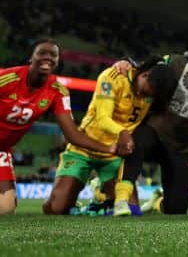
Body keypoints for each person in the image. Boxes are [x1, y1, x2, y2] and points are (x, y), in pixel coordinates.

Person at [116, 27, 188, 215]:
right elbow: (146, 68)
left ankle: (157, 203)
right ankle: (121, 196)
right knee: (133, 143)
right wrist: (126, 61)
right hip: (155, 132)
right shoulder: (174, 61)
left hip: (181, 148)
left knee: (177, 209)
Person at [43, 58, 177, 216]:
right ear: (145, 75)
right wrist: (123, 133)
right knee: (55, 208)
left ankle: (101, 196)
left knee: (132, 212)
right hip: (84, 148)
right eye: (148, 90)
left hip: (114, 155)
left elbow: (164, 60)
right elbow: (102, 118)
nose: (145, 96)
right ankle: (96, 193)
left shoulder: (154, 91)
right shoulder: (112, 78)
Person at [0, 39, 118, 215]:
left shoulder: (57, 91)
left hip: (2, 150)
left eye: (53, 55)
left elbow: (73, 135)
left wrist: (109, 148)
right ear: (31, 58)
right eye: (41, 53)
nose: (47, 58)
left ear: (57, 62)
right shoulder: (7, 78)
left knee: (6, 209)